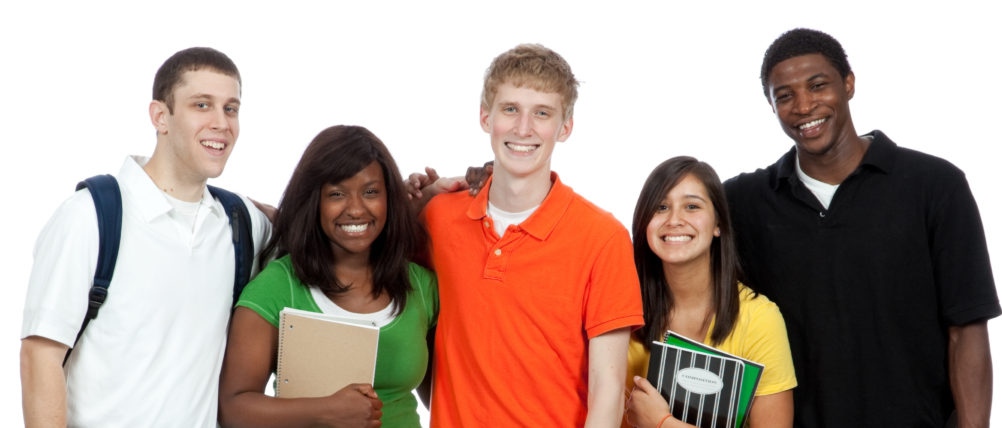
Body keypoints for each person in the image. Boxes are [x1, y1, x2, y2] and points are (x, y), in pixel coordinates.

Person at [724, 28, 1002, 427]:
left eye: (818, 86)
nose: (804, 106)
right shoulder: (744, 201)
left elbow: (967, 327)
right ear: (771, 105)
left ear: (849, 84)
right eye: (784, 95)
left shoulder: (935, 185)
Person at [19, 47, 272, 426]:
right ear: (160, 116)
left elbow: (318, 235)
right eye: (202, 105)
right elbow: (40, 355)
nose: (221, 122)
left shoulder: (241, 224)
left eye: (231, 108)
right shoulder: (90, 216)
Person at [410, 43, 644, 427]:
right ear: (486, 117)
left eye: (542, 113)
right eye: (510, 109)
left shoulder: (603, 238)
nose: (523, 128)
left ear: (564, 127)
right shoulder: (438, 219)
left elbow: (608, 389)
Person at [218, 125, 438, 428]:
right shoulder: (278, 287)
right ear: (314, 202)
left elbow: (446, 399)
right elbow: (233, 408)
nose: (356, 209)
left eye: (371, 192)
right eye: (337, 194)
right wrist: (325, 411)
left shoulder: (422, 287)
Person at [623, 156, 796, 428]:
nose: (675, 220)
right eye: (661, 207)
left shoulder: (759, 318)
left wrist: (662, 423)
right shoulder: (622, 313)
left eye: (692, 206)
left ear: (718, 224)